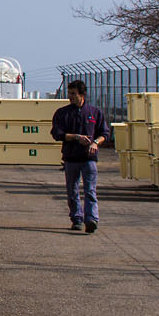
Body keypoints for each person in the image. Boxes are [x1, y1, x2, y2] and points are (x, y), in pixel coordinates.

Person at [51, 79, 111, 232]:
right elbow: (57, 134)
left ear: (82, 94)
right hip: (71, 158)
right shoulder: (62, 113)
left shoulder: (94, 112)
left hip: (89, 158)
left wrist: (95, 143)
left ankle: (91, 219)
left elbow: (104, 133)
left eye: (73, 94)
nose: (70, 96)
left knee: (90, 190)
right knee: (72, 190)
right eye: (69, 93)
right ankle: (77, 218)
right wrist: (76, 137)